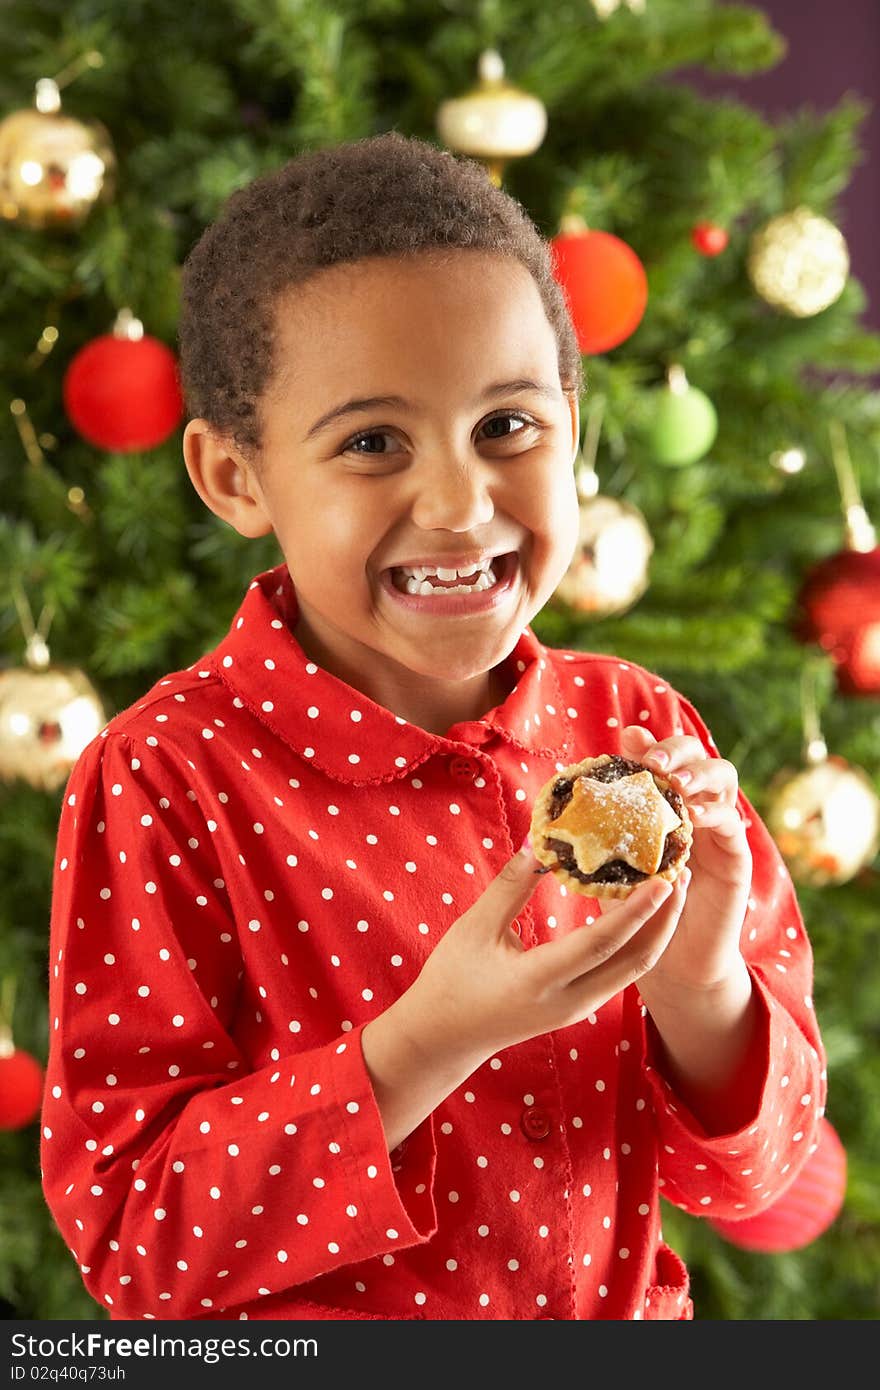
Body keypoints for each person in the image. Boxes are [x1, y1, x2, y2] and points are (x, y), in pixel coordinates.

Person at [41, 131, 826, 1323]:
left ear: (572, 424)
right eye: (370, 443)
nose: (460, 505)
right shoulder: (166, 777)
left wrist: (702, 986)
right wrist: (418, 1047)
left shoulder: (639, 727)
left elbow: (752, 1174)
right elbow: (136, 1243)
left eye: (506, 427)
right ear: (234, 477)